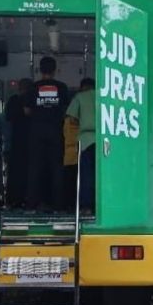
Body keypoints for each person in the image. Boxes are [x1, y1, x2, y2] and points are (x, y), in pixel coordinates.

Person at [24, 56, 69, 211]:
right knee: (57, 168)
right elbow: (66, 111)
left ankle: (31, 205)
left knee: (34, 168)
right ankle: (58, 205)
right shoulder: (62, 87)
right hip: (56, 131)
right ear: (55, 70)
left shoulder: (33, 88)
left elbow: (27, 110)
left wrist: (39, 112)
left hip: (36, 132)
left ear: (39, 69)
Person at [65, 77, 96, 212]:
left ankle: (87, 206)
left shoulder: (79, 97)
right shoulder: (104, 96)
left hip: (86, 141)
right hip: (104, 140)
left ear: (83, 87)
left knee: (86, 175)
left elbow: (71, 118)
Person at [4, 78, 34, 208]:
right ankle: (30, 199)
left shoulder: (13, 101)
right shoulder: (33, 100)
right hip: (33, 141)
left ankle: (14, 199)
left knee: (16, 172)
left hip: (16, 140)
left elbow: (7, 116)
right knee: (31, 171)